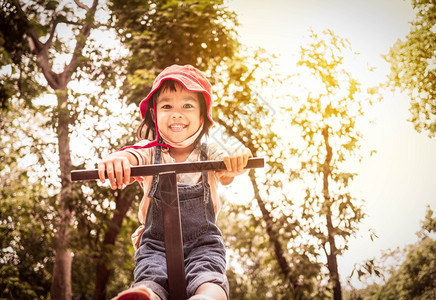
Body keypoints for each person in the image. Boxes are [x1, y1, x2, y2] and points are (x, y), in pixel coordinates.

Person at [98, 64, 252, 300]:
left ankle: (205, 299)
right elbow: (130, 155)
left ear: (202, 115)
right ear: (154, 114)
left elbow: (227, 162)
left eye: (187, 105)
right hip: (155, 245)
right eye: (167, 106)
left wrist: (235, 157)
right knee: (150, 277)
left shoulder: (210, 150)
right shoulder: (149, 151)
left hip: (203, 243)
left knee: (209, 278)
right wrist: (118, 160)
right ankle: (147, 297)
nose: (176, 113)